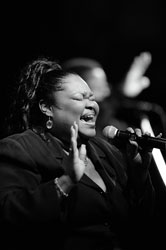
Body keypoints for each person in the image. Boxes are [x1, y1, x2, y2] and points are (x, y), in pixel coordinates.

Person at [0, 57, 155, 250]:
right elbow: (8, 216)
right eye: (79, 98)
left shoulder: (104, 150)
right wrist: (65, 181)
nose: (92, 105)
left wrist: (139, 174)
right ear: (47, 107)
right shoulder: (20, 148)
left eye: (91, 98)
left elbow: (141, 223)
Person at [62, 52, 166, 138]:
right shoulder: (93, 127)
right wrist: (120, 93)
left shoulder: (114, 123)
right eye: (99, 87)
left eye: (106, 85)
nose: (107, 91)